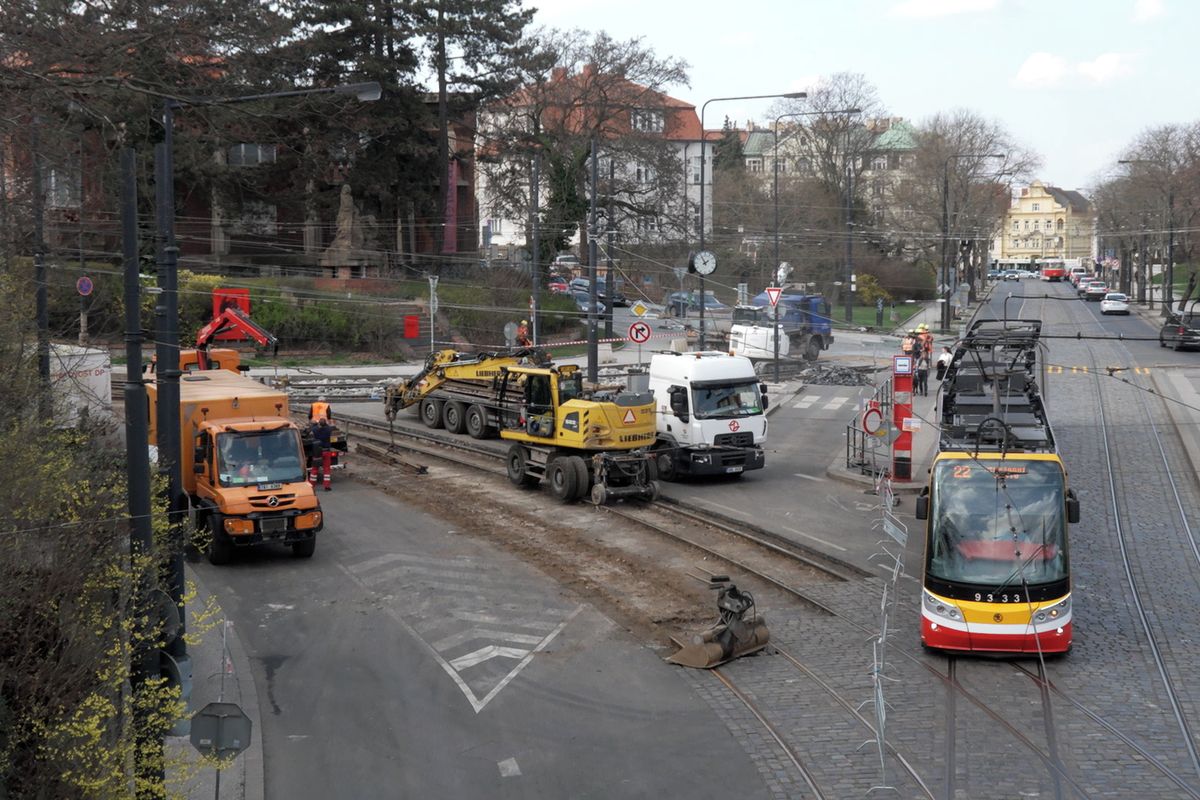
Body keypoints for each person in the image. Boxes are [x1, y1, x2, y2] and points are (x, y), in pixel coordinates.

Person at [308, 418, 334, 491]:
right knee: (326, 469)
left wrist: (315, 423)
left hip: (317, 452)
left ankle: (311, 485)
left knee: (314, 469)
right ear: (325, 423)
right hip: (327, 451)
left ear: (319, 423)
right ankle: (327, 486)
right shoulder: (329, 429)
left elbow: (311, 428)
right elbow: (332, 426)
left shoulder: (315, 429)